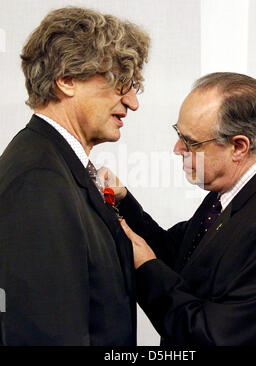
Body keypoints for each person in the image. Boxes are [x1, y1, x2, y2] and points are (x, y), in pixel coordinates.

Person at [101, 72, 256, 345]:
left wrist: (146, 269)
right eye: (178, 134)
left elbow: (210, 338)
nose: (176, 149)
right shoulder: (235, 192)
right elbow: (180, 254)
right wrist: (123, 201)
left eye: (190, 142)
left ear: (238, 147)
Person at [0, 6, 150, 346]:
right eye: (120, 82)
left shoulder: (58, 166)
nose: (133, 101)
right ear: (66, 80)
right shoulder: (38, 181)